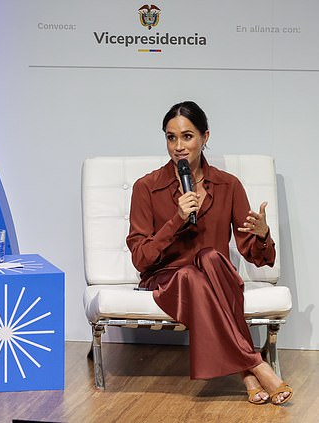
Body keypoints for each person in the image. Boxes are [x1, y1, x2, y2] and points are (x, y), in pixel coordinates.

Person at [126, 101, 293, 405]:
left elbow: (257, 257)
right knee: (192, 272)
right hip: (169, 279)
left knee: (211, 258)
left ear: (205, 137)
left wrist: (263, 235)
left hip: (216, 277)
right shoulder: (146, 187)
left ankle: (248, 373)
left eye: (187, 136)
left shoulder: (228, 185)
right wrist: (176, 219)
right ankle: (255, 365)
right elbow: (140, 258)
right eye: (170, 137)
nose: (178, 146)